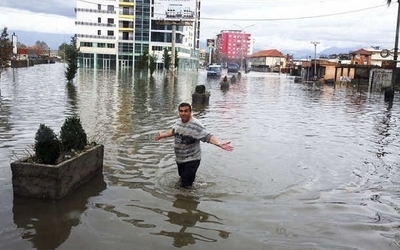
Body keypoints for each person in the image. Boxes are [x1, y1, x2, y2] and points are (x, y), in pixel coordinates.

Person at [155, 102, 233, 188]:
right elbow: (173, 131)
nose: (183, 113)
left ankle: (187, 199)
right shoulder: (178, 122)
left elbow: (208, 136)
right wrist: (161, 135)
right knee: (182, 179)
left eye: (186, 111)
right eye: (181, 111)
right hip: (180, 159)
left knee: (185, 187)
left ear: (190, 112)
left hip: (192, 160)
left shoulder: (196, 125)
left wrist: (219, 143)